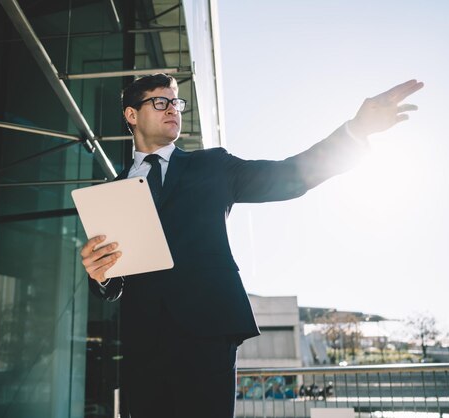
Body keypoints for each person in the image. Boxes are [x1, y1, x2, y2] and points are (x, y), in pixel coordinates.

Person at [80, 73, 423, 418]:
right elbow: (115, 282)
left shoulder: (213, 165)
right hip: (143, 345)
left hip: (207, 335)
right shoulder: (114, 191)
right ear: (131, 115)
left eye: (176, 102)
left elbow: (291, 175)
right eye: (160, 101)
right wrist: (102, 275)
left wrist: (355, 131)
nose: (173, 109)